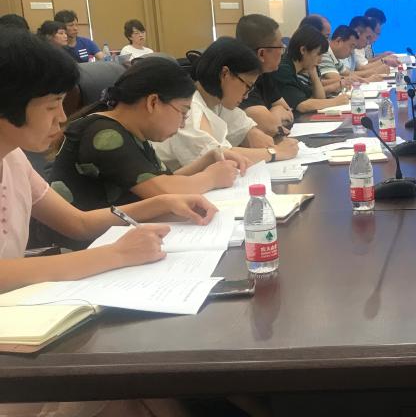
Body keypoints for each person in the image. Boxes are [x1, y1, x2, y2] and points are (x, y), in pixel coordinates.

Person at [0, 27, 217, 293]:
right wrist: (116, 254)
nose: (61, 117)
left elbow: (78, 223)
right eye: (51, 105)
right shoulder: (101, 132)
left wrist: (161, 203)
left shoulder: (13, 159)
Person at [51, 57, 251, 219]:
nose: (183, 124)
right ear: (153, 102)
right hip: (83, 246)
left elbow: (165, 181)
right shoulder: (104, 134)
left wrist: (209, 159)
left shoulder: (129, 131)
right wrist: (211, 178)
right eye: (183, 112)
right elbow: (164, 191)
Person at [153, 37, 299, 171]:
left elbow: (248, 131)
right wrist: (274, 152)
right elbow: (217, 157)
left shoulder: (217, 103)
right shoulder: (188, 108)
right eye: (247, 86)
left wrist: (261, 138)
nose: (247, 95)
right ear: (225, 74)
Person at [235, 13, 294, 139]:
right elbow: (270, 128)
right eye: (280, 46)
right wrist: (275, 114)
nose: (283, 51)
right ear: (261, 54)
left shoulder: (264, 73)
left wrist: (273, 114)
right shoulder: (240, 79)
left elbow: (287, 111)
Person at [273, 24, 351, 112]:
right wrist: (335, 101)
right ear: (303, 50)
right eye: (318, 54)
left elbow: (319, 97)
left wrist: (313, 73)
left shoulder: (297, 69)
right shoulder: (283, 69)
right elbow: (302, 105)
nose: (320, 60)